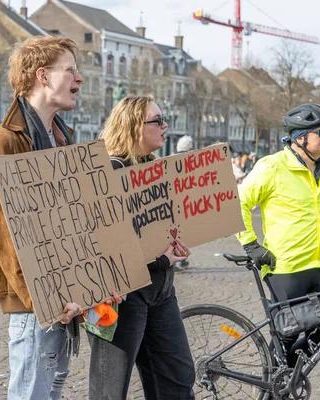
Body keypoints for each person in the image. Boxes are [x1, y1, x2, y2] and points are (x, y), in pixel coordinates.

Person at [0, 36, 86, 400]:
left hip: (67, 303)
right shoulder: (4, 144)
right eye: (70, 70)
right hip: (37, 306)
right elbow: (3, 237)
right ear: (42, 75)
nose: (79, 78)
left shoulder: (64, 141)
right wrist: (45, 300)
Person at [236, 103, 320, 367]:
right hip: (285, 267)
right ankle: (273, 385)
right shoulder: (272, 166)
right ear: (300, 138)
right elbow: (238, 201)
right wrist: (250, 243)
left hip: (317, 264)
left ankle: (286, 379)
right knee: (287, 334)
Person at [89, 95, 195, 400]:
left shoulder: (157, 169)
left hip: (161, 292)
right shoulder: (109, 172)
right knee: (110, 388)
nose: (165, 126)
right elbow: (106, 246)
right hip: (123, 297)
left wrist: (177, 241)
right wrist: (160, 258)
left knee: (178, 378)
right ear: (135, 127)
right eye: (157, 120)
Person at [174, 135, 193, 271]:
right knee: (184, 234)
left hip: (173, 204)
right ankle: (181, 260)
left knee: (173, 234)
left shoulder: (171, 159)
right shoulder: (190, 161)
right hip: (186, 203)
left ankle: (175, 261)